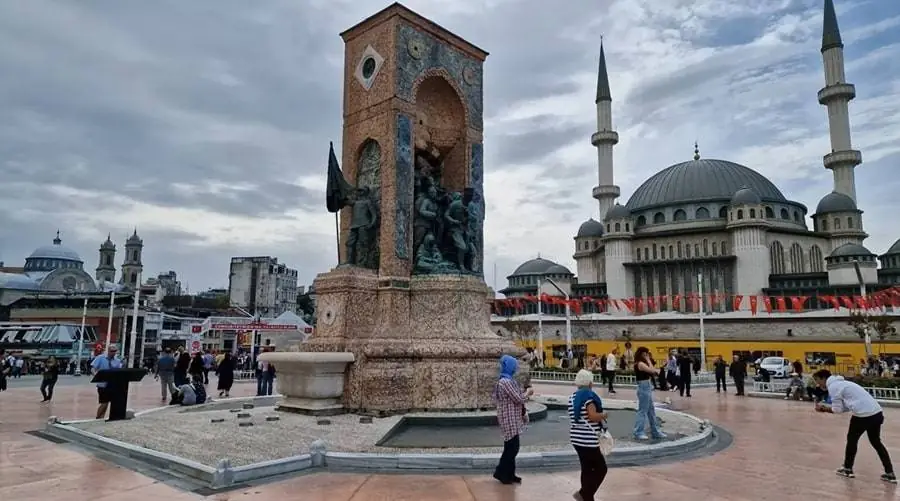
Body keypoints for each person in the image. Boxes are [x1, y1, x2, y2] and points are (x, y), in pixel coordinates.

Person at [813, 369, 895, 483]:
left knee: (852, 440)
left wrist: (823, 409)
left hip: (862, 415)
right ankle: (890, 472)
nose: (818, 384)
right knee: (876, 442)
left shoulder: (833, 387)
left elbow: (837, 410)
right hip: (876, 413)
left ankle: (847, 468)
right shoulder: (844, 383)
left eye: (817, 380)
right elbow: (847, 406)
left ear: (823, 378)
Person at [569, 369, 608, 501]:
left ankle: (586, 496)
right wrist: (603, 415)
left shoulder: (572, 397)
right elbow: (592, 416)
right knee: (601, 468)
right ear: (590, 382)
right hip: (588, 440)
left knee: (586, 468)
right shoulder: (588, 397)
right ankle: (584, 494)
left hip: (576, 438)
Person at [492, 354, 532, 485]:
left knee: (511, 447)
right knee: (512, 448)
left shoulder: (507, 380)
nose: (516, 368)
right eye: (514, 365)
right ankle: (501, 472)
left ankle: (509, 474)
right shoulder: (506, 382)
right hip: (509, 419)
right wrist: (528, 393)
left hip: (511, 418)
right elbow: (519, 399)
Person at [632, 347, 666, 440]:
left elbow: (652, 370)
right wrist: (648, 359)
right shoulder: (640, 364)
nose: (648, 355)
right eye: (646, 353)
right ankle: (638, 432)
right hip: (643, 387)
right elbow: (652, 370)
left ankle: (655, 431)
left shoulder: (641, 363)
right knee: (642, 411)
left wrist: (648, 360)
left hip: (647, 386)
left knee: (651, 410)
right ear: (643, 354)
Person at [91, 347, 123, 420]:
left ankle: (102, 417)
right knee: (104, 402)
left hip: (112, 384)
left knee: (107, 402)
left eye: (115, 351)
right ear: (108, 351)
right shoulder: (100, 358)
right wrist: (96, 375)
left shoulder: (117, 361)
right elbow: (93, 368)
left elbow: (119, 370)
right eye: (112, 351)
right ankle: (98, 417)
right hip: (102, 384)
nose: (113, 353)